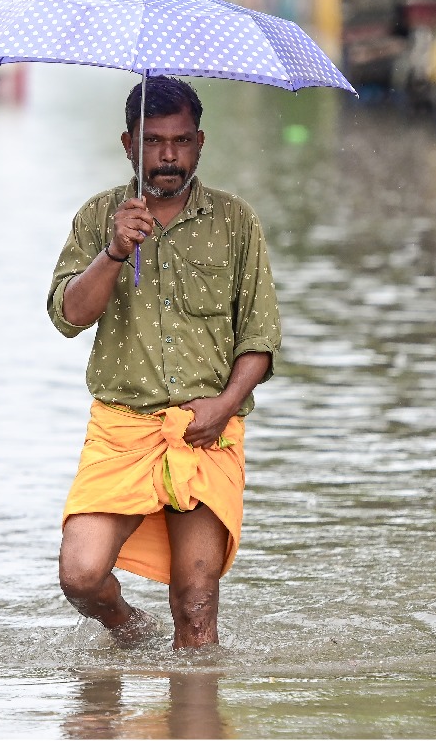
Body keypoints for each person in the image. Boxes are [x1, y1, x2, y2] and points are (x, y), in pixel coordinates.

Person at [48, 75, 281, 648]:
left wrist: (224, 408)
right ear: (128, 144)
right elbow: (68, 316)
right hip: (121, 428)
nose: (169, 155)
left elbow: (261, 341)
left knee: (195, 607)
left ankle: (195, 722)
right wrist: (113, 252)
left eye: (180, 140)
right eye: (153, 141)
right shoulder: (100, 216)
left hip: (205, 432)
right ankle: (130, 631)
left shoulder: (235, 222)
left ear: (201, 142)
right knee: (80, 577)